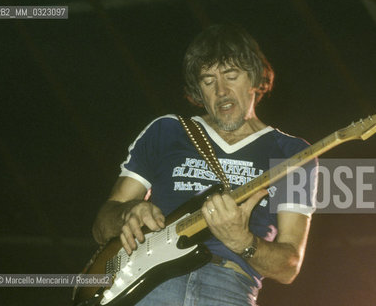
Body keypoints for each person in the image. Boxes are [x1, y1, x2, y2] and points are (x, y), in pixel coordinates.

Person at [92, 24, 318, 306]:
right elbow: (102, 226)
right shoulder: (167, 131)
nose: (221, 90)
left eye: (231, 76)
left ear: (255, 79)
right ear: (197, 90)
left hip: (228, 287)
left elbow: (289, 267)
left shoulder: (292, 152)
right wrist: (128, 213)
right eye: (208, 81)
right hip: (149, 284)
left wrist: (242, 241)